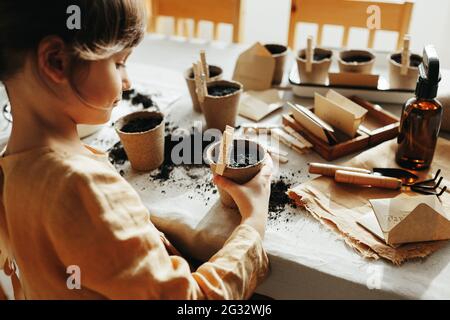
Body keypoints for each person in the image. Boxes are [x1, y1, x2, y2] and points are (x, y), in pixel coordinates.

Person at [0, 0, 272, 299]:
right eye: (118, 63)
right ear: (57, 62)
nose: (127, 82)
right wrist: (253, 225)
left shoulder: (10, 171)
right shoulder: (80, 187)